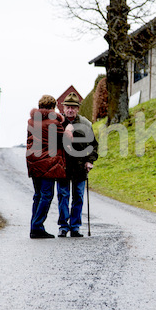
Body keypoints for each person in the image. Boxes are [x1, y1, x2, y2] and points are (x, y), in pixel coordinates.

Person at [56, 92, 98, 238]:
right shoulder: (58, 123)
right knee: (63, 195)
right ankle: (63, 226)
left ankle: (75, 227)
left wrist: (90, 161)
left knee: (78, 196)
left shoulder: (86, 124)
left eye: (73, 107)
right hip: (63, 167)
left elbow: (93, 145)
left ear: (78, 109)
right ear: (63, 107)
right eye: (68, 107)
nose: (70, 110)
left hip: (80, 167)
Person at [26, 95, 67, 239]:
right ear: (53, 107)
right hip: (48, 163)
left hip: (33, 161)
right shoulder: (54, 123)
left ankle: (34, 226)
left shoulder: (31, 121)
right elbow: (64, 141)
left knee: (38, 195)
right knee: (47, 195)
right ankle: (37, 226)